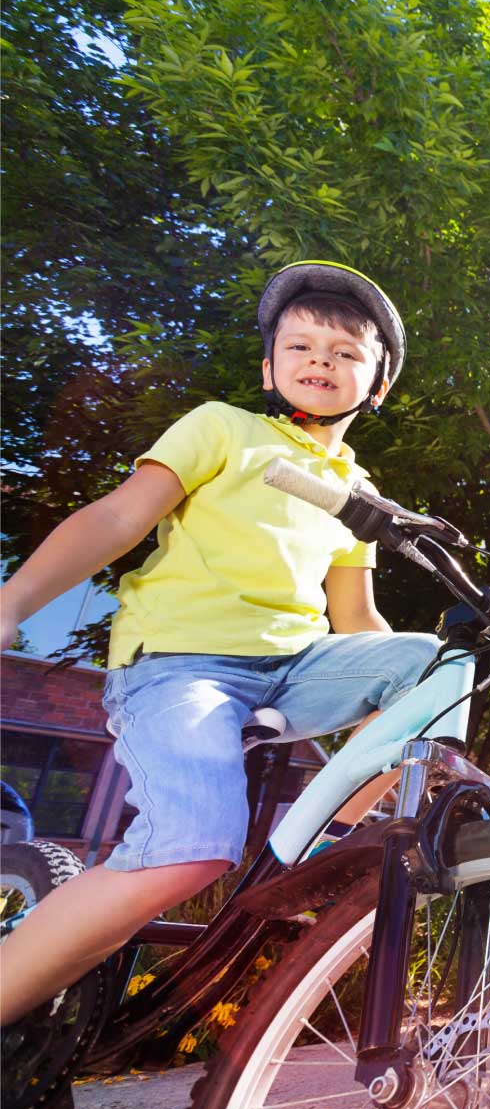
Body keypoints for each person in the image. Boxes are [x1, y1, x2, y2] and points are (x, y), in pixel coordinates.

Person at [0, 262, 440, 1027]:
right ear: (268, 366)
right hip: (182, 662)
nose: (320, 362)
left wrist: (416, 710)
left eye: (344, 353)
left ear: (377, 386)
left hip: (294, 669)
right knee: (192, 850)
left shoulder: (357, 492)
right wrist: (12, 605)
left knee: (437, 666)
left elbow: (356, 619)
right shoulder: (223, 429)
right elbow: (117, 519)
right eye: (300, 346)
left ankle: (312, 838)